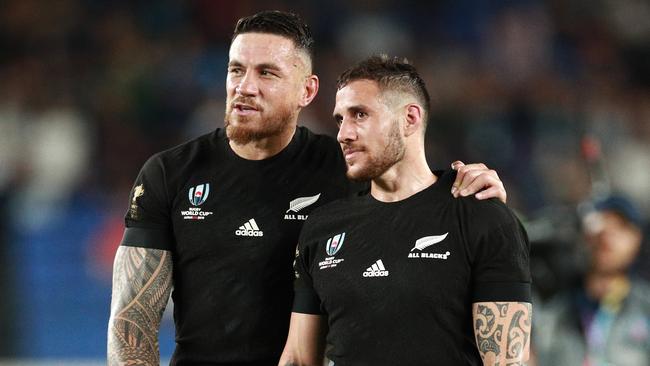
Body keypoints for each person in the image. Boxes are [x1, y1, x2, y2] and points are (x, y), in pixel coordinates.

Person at [107, 11, 509, 366]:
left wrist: (472, 189)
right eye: (235, 70)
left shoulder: (346, 166)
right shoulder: (171, 173)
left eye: (266, 72)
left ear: (307, 91)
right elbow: (133, 317)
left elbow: (418, 187)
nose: (245, 86)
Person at [280, 55, 532, 366]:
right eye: (340, 119)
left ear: (410, 118)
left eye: (359, 115)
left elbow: (507, 362)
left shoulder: (481, 217)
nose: (344, 134)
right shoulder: (323, 227)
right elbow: (299, 359)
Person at [534, 194, 650, 366]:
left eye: (621, 226)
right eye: (601, 222)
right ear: (584, 235)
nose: (608, 234)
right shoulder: (553, 311)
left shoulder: (645, 308)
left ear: (637, 240)